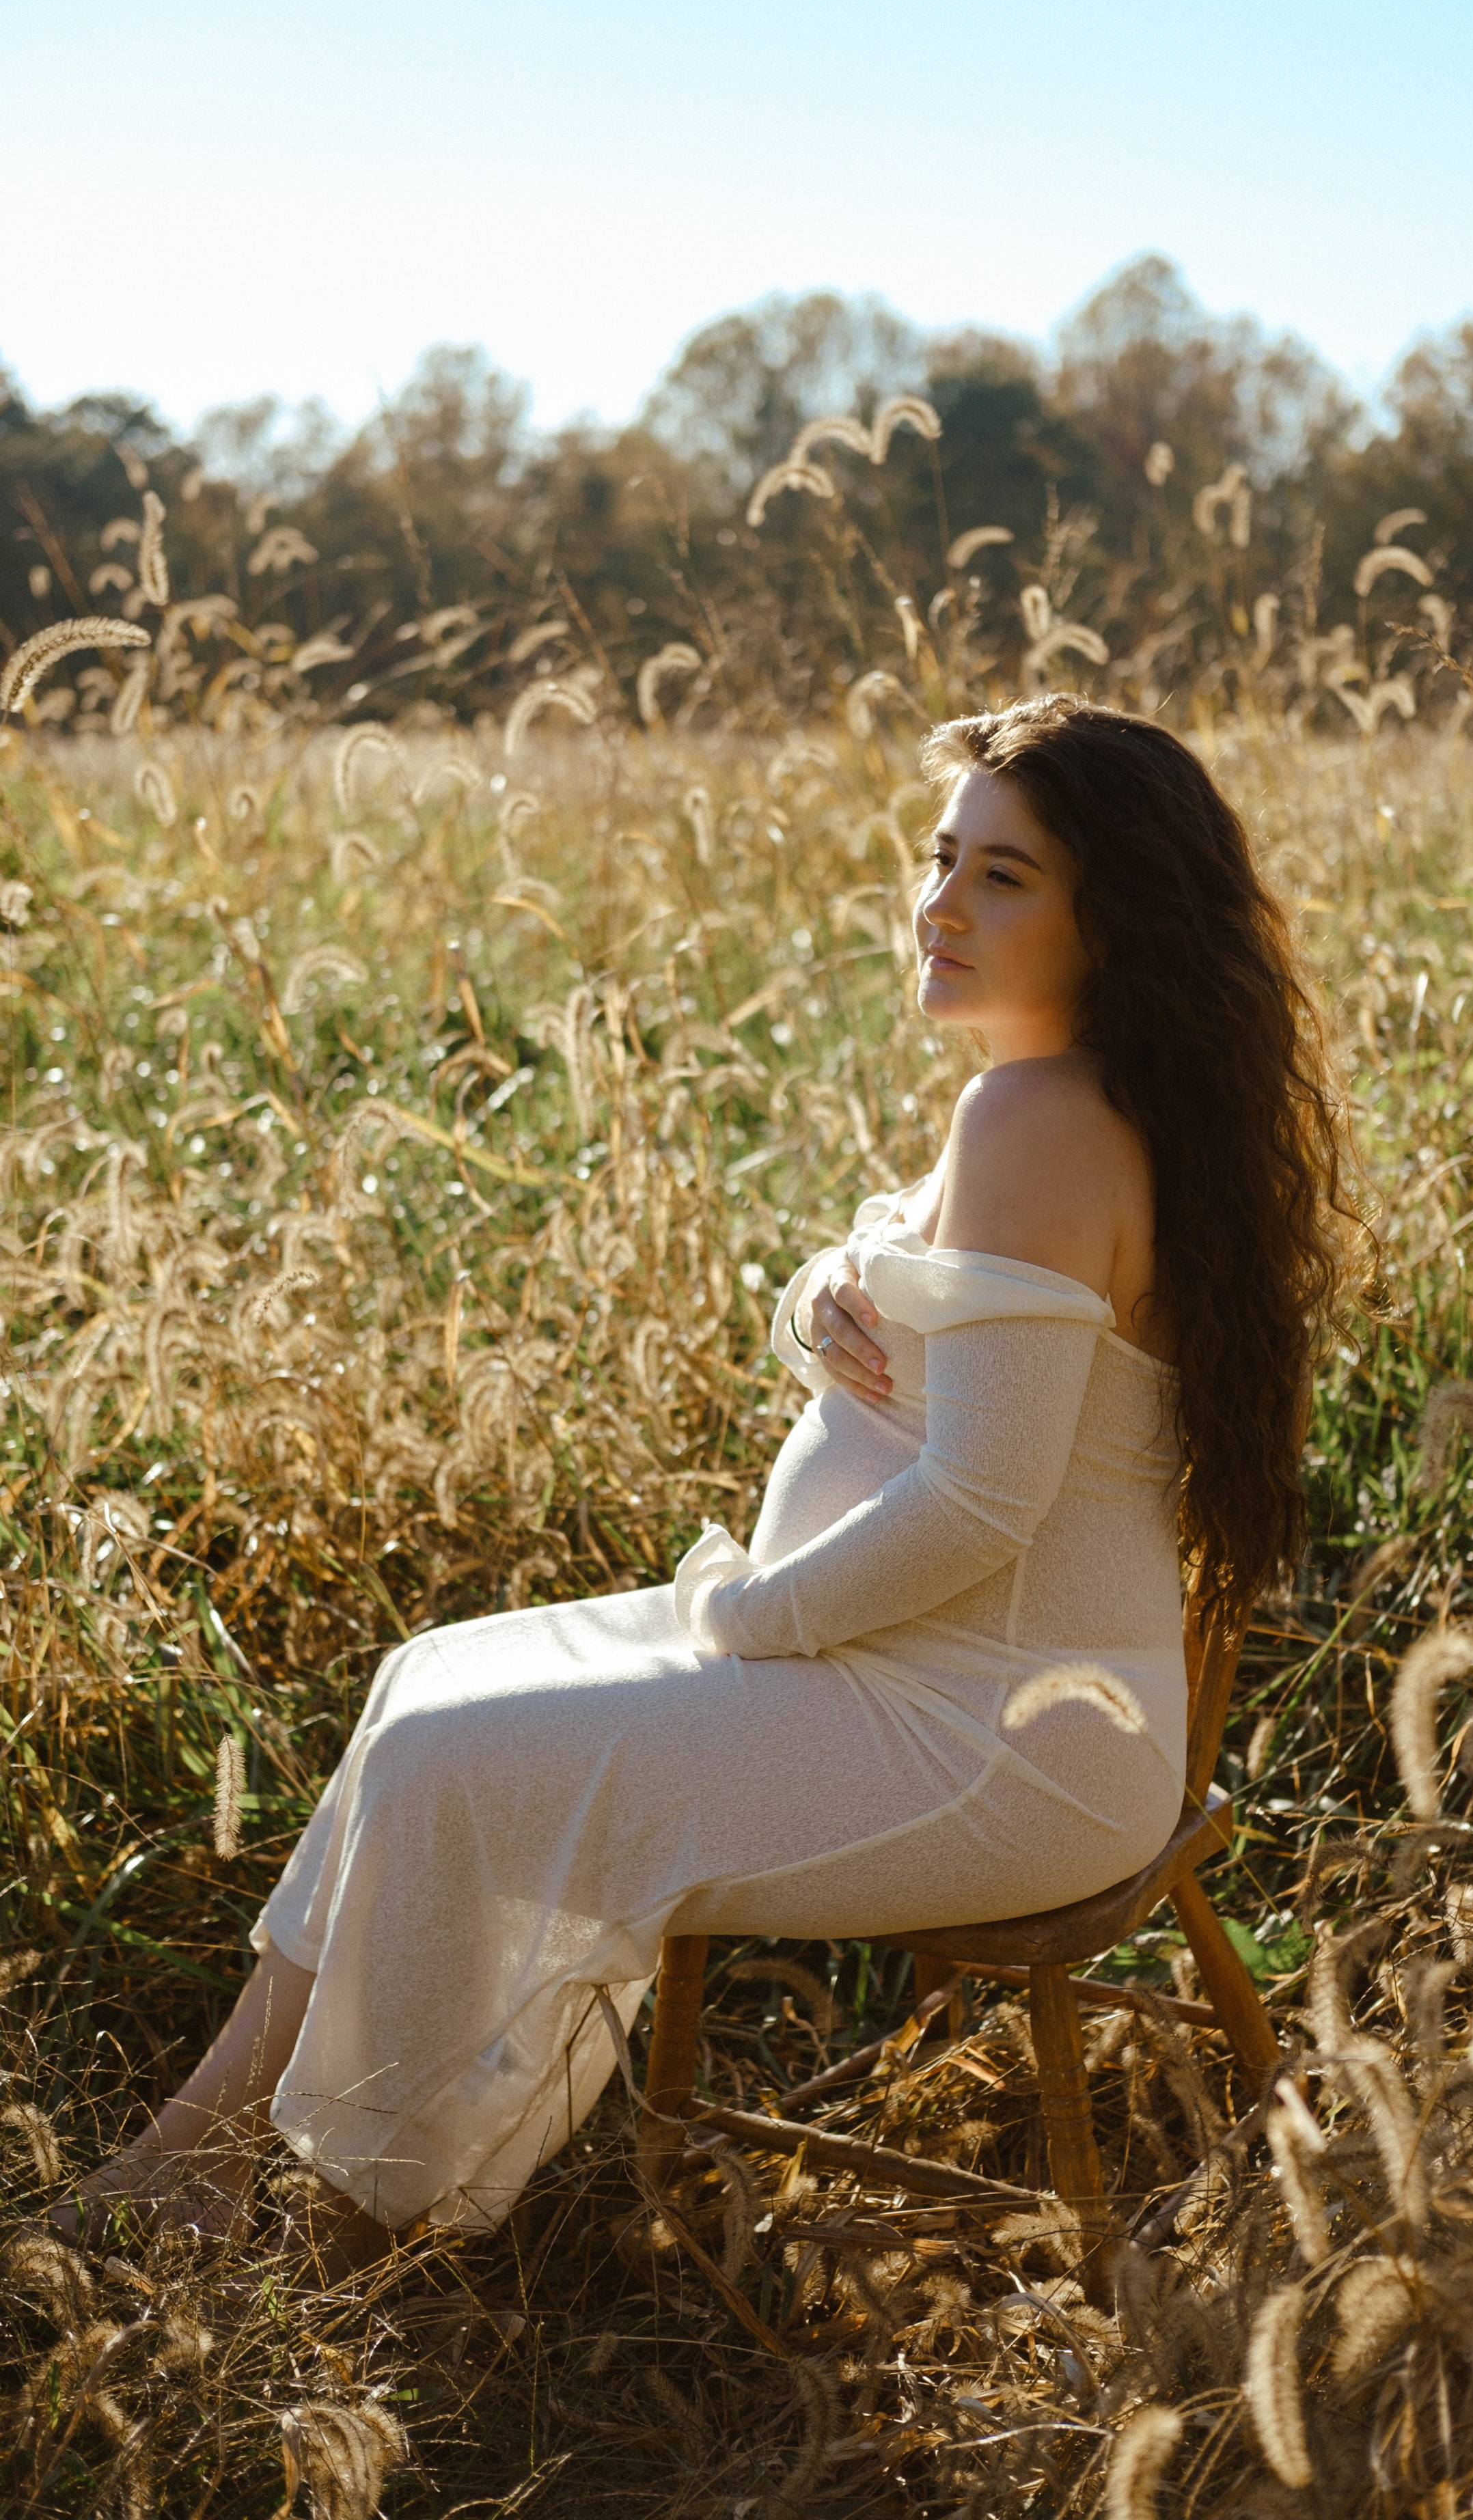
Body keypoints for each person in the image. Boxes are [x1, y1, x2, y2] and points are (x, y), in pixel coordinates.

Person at [53, 693, 1349, 2272]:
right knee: (422, 1685)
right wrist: (818, 1301)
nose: (937, 904)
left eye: (1002, 877)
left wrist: (749, 1617)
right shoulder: (1057, 1100)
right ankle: (201, 2148)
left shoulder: (1037, 1118)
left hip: (991, 1733)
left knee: (458, 1764)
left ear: (1113, 914)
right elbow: (898, 1292)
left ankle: (341, 2221)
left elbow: (981, 1505)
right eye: (939, 858)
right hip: (967, 1683)